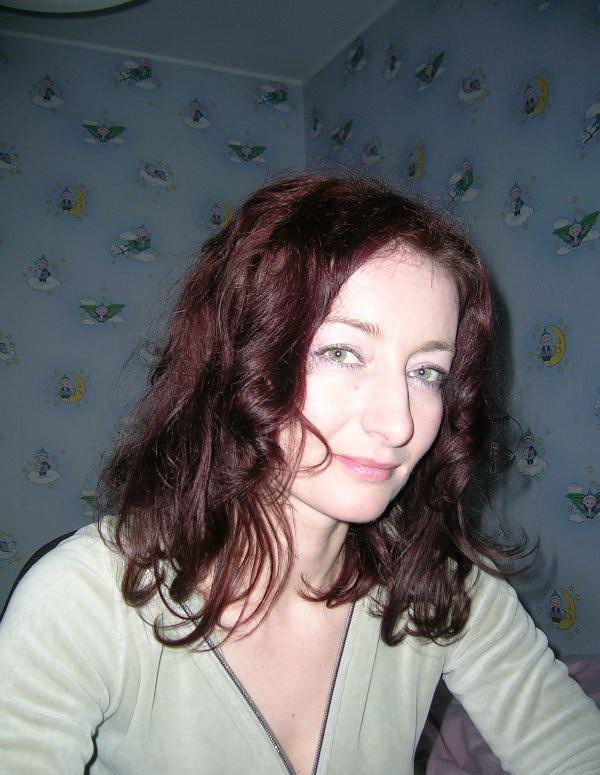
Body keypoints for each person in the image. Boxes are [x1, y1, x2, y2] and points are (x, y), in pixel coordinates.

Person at [0, 175, 599, 775]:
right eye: (341, 353)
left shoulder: (441, 586)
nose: (398, 423)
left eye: (426, 372)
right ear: (241, 358)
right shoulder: (86, 603)